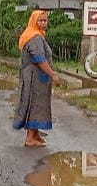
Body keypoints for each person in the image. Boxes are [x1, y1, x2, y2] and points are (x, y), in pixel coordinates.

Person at [13, 10, 61, 147]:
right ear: (34, 21)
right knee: (34, 103)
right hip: (34, 78)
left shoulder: (37, 35)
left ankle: (35, 134)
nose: (43, 23)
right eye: (40, 20)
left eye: (45, 20)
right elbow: (40, 59)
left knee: (39, 103)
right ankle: (30, 138)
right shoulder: (34, 37)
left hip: (38, 78)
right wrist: (53, 74)